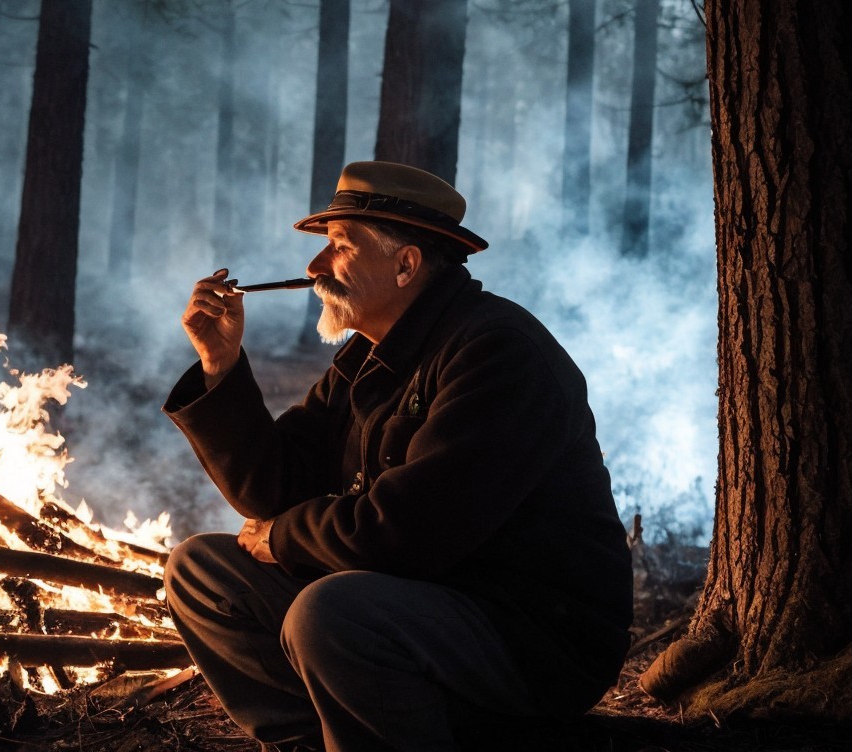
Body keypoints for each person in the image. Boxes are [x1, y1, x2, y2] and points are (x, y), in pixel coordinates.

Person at [162, 161, 632, 752]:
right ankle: (315, 741)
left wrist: (283, 537)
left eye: (339, 246)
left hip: (527, 638)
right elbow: (271, 487)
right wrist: (220, 363)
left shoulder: (498, 354)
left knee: (332, 613)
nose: (314, 268)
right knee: (202, 572)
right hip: (415, 603)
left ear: (406, 265)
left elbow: (408, 532)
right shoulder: (369, 354)